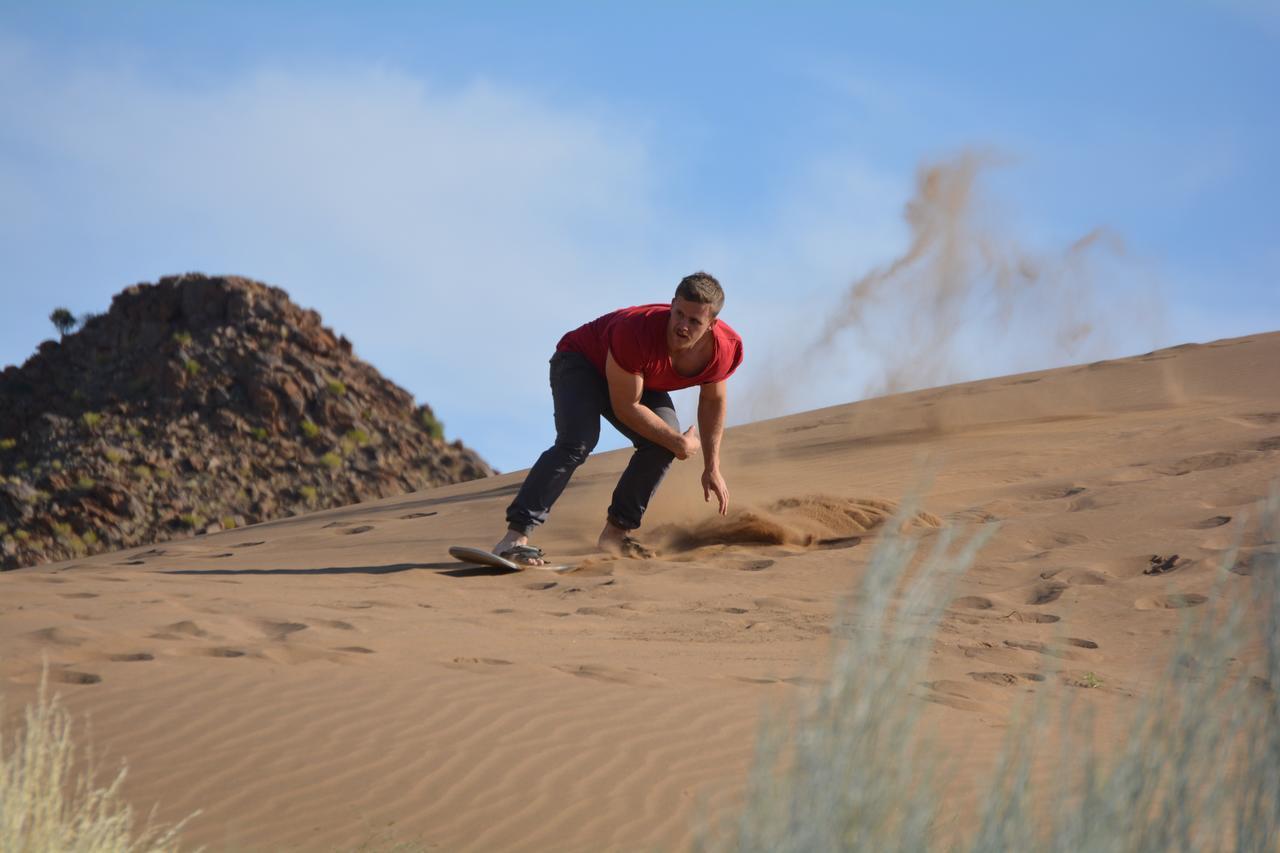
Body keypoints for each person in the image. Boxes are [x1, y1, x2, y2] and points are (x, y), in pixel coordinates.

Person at [493, 272, 744, 565]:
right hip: (581, 364)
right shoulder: (636, 331)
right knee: (578, 441)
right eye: (678, 314)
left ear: (712, 324)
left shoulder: (724, 349)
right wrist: (677, 442)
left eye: (694, 321)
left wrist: (711, 466)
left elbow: (713, 399)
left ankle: (615, 535)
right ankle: (513, 539)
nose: (682, 326)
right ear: (672, 303)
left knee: (661, 444)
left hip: (640, 379)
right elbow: (626, 406)